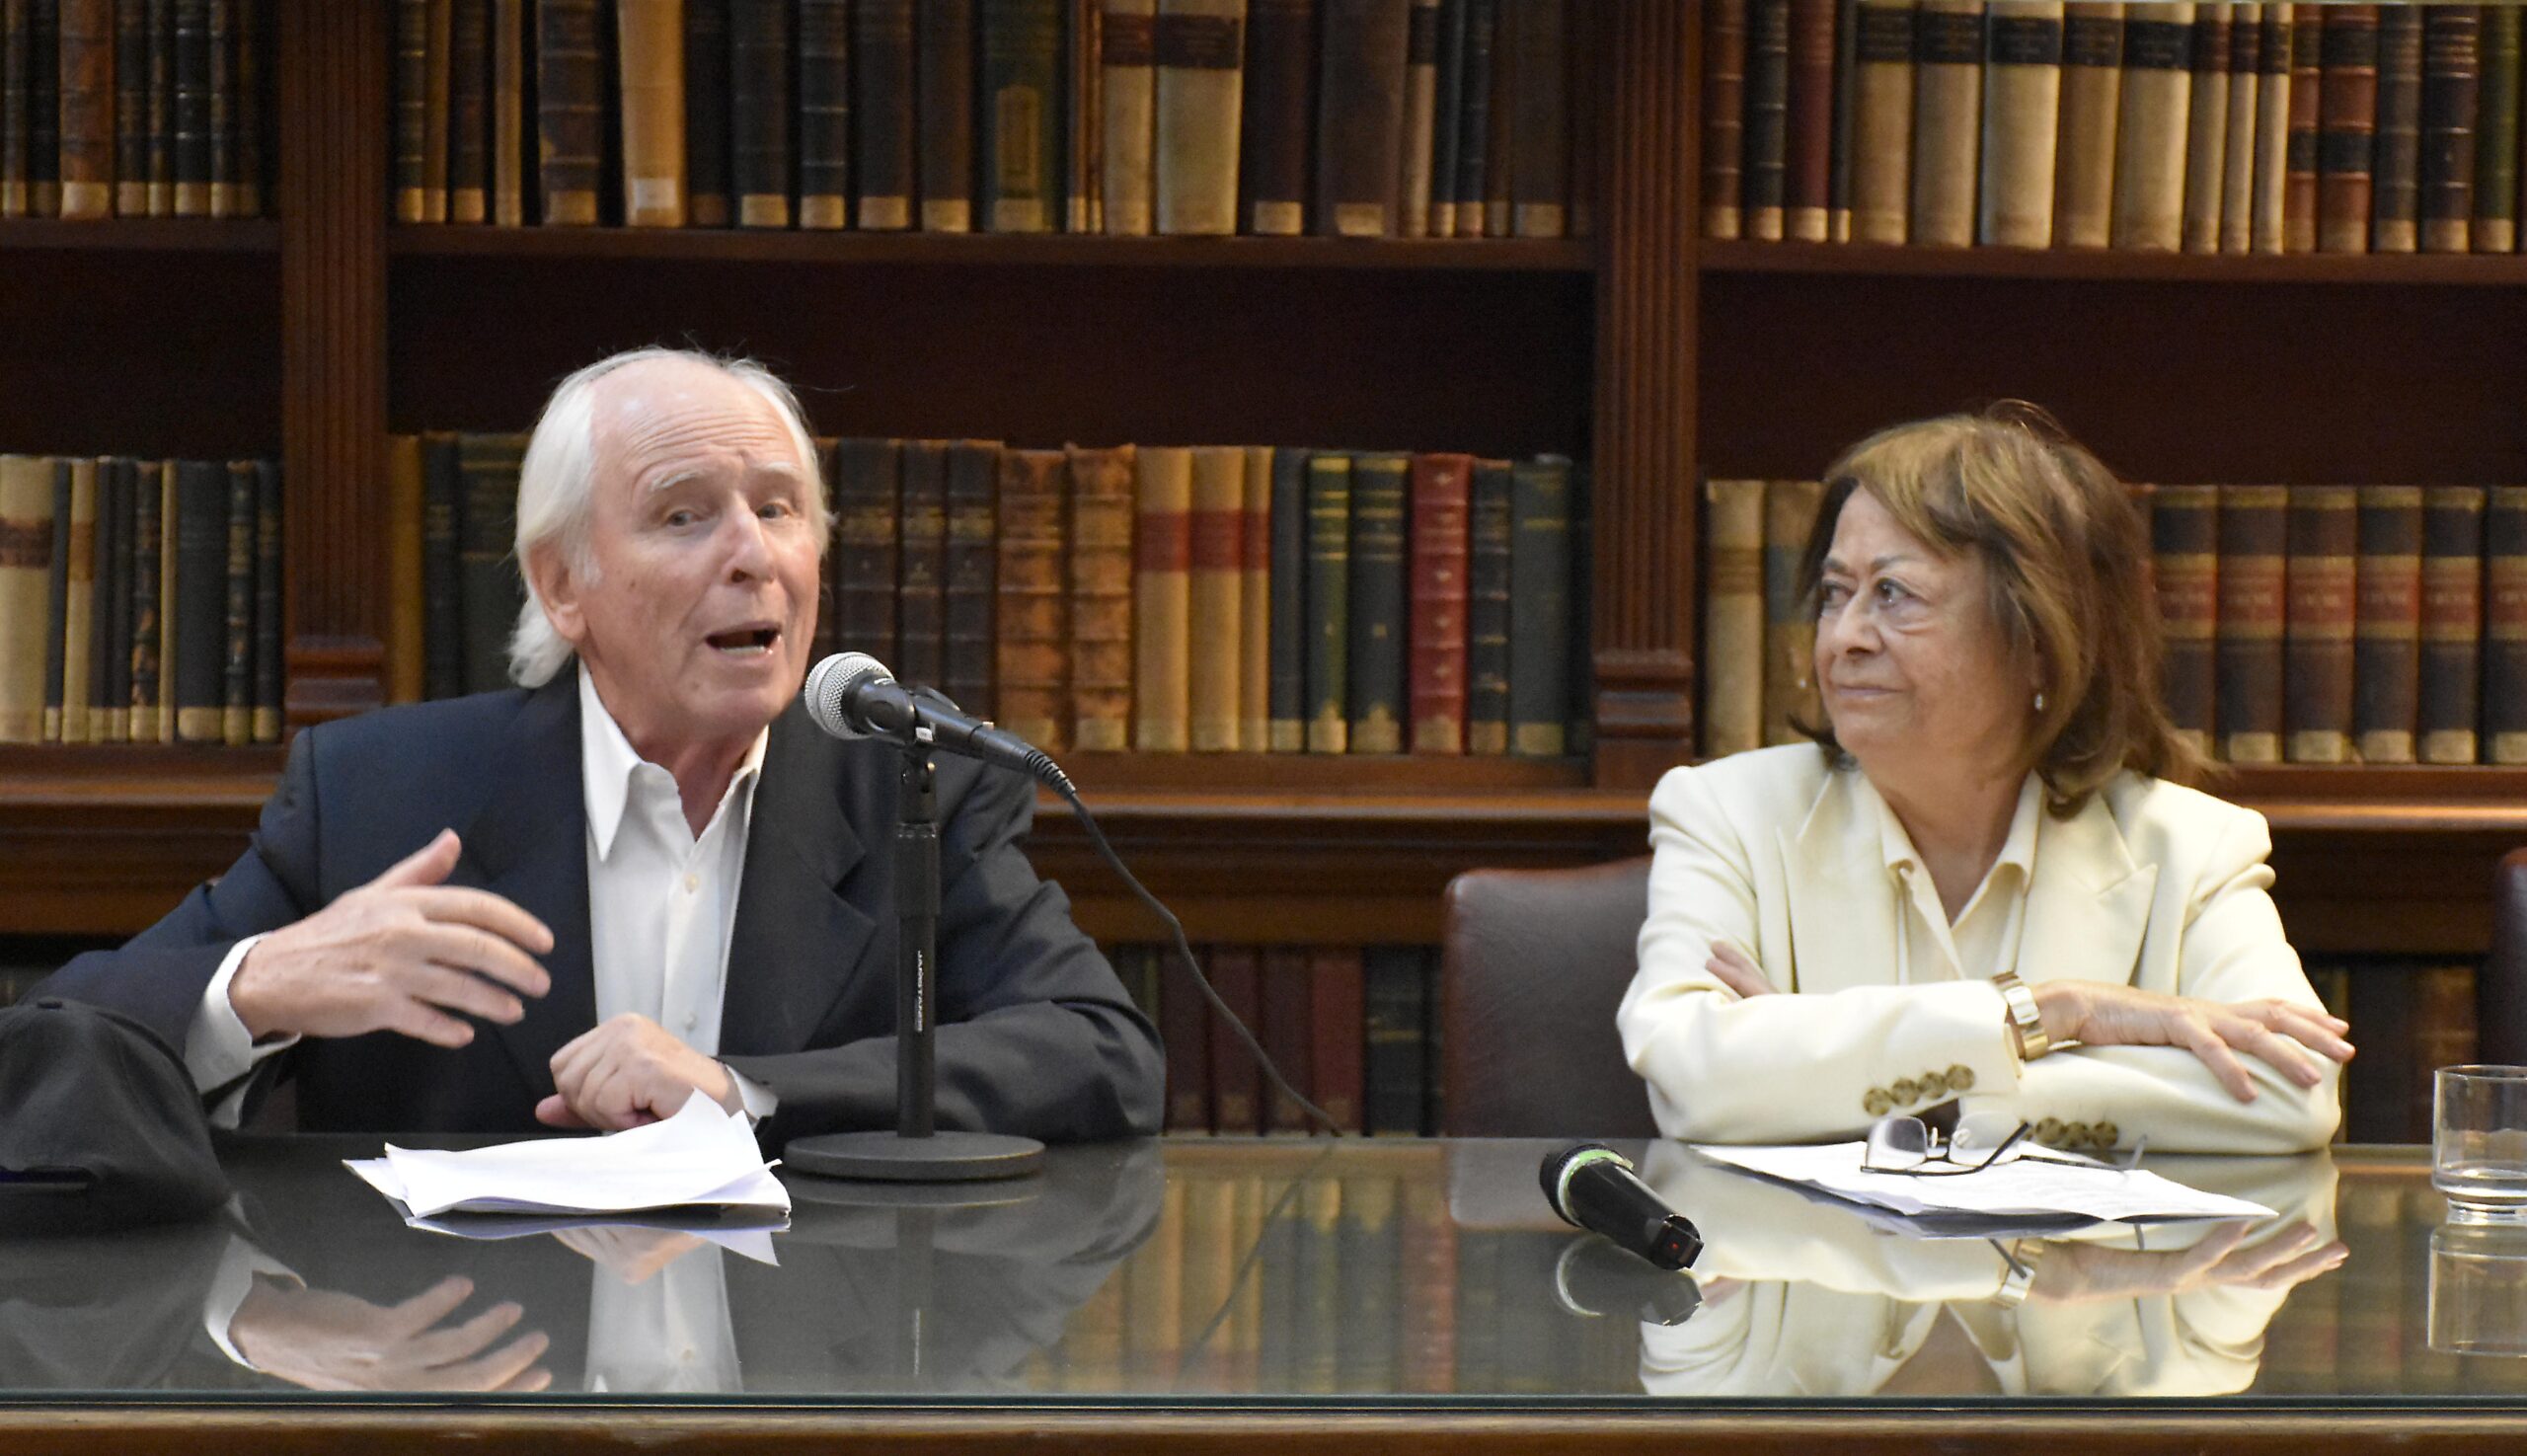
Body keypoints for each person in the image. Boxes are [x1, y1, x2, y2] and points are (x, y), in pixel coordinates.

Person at [38, 347, 1164, 1146]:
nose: (752, 555)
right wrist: (261, 985)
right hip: (465, 1369)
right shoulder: (382, 793)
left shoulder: (910, 786)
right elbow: (57, 1042)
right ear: (561, 583)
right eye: (684, 514)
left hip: (808, 1368)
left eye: (779, 510)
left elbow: (1101, 1050)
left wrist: (741, 1091)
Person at [1618, 405, 2349, 1154]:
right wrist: (2049, 1015)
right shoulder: (1726, 813)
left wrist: (1831, 1075)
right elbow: (1690, 1075)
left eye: (1893, 594)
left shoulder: (2193, 848)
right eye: (1836, 593)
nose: (1844, 638)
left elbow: (2293, 1094)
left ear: (2038, 640)